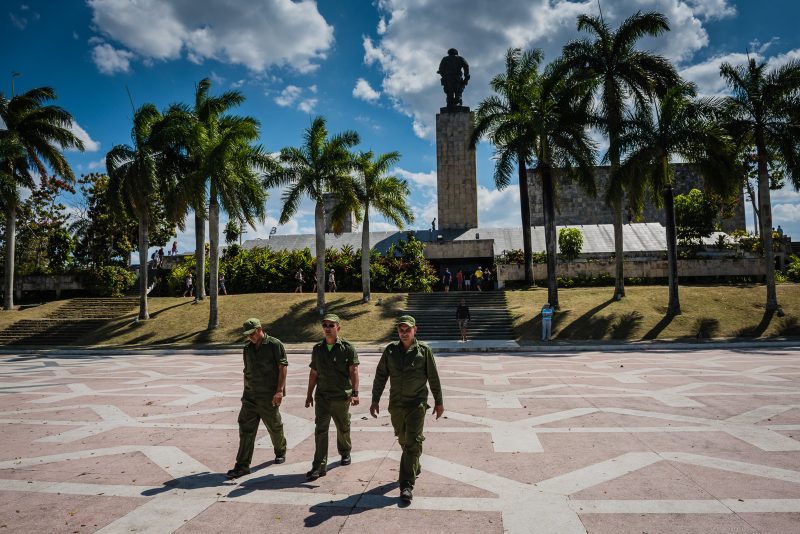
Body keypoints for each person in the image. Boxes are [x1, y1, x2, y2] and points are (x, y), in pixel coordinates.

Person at [370, 315, 444, 504]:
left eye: (407, 330)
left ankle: (406, 485)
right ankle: (414, 464)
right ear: (398, 331)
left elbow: (433, 378)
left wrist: (439, 402)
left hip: (417, 404)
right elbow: (380, 376)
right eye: (401, 330)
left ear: (414, 330)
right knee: (403, 440)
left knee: (411, 442)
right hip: (396, 404)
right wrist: (375, 400)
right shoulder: (391, 351)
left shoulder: (424, 351)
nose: (404, 333)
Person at [225, 318, 288, 478]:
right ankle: (242, 465)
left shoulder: (274, 344)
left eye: (253, 333)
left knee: (274, 426)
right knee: (246, 430)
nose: (251, 337)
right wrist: (245, 394)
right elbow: (247, 372)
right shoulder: (247, 349)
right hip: (250, 398)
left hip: (268, 396)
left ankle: (280, 450)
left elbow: (282, 368)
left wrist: (279, 391)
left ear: (260, 329)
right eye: (248, 335)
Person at [305, 314, 360, 480]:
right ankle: (318, 466)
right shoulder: (317, 349)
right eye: (325, 325)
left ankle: (345, 452)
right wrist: (309, 394)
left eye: (331, 325)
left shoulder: (348, 348)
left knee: (343, 427)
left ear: (338, 328)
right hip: (322, 397)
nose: (327, 328)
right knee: (320, 430)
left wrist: (355, 393)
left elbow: (353, 371)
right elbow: (314, 372)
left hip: (341, 397)